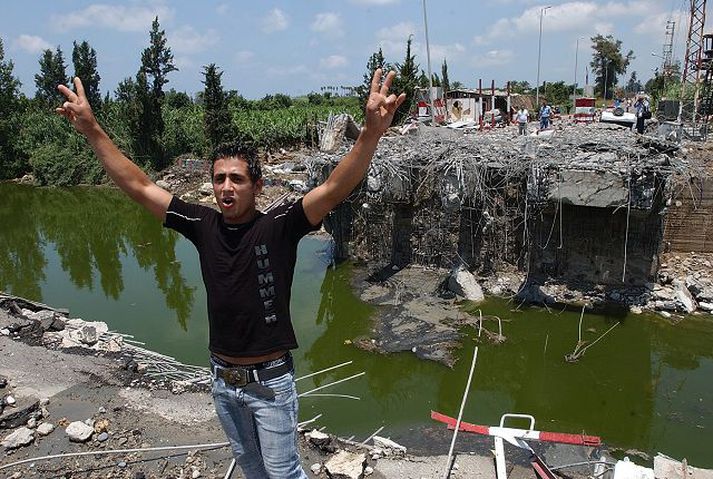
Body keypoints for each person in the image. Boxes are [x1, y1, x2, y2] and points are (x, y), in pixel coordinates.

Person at [56, 69, 405, 479]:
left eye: (237, 179)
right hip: (223, 381)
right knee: (253, 470)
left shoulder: (280, 224)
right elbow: (139, 185)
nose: (226, 187)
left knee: (283, 472)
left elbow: (332, 188)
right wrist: (94, 130)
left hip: (271, 383)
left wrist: (371, 133)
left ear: (256, 185)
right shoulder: (203, 224)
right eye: (219, 178)